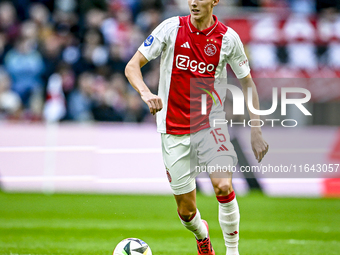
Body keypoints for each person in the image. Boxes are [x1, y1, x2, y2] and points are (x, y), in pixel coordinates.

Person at [125, 1, 269, 254]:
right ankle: (202, 235)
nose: (193, 2)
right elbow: (132, 66)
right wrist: (146, 93)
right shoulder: (170, 29)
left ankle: (232, 251)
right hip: (172, 130)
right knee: (187, 211)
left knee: (223, 187)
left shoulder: (228, 38)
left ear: (214, 1)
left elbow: (248, 84)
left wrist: (256, 129)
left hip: (210, 125)